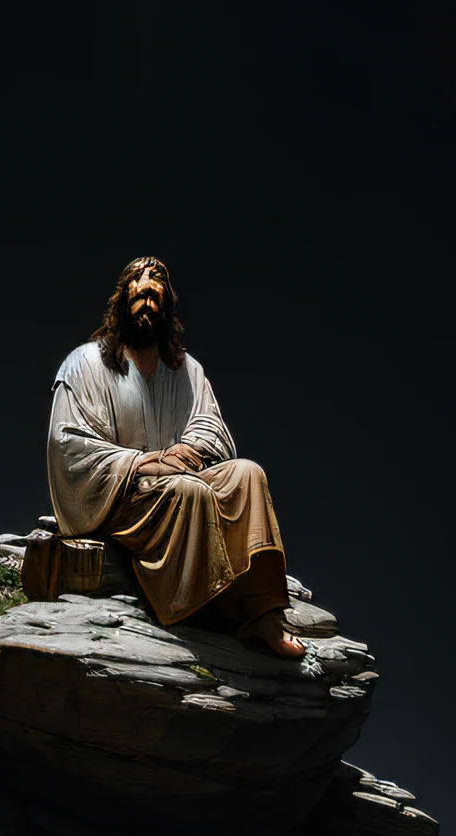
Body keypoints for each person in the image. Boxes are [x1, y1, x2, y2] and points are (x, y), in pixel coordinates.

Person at [46, 256, 304, 657]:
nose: (147, 296)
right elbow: (68, 443)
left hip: (176, 477)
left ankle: (262, 614)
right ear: (120, 301)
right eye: (139, 288)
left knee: (248, 474)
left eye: (155, 290)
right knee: (189, 492)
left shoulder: (187, 370)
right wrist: (141, 463)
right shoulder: (85, 363)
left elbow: (211, 427)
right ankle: (198, 612)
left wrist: (187, 451)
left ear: (167, 307)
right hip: (123, 497)